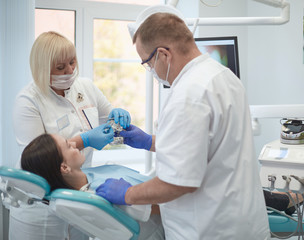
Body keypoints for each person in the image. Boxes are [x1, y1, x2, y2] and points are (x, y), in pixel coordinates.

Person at [96, 10, 271, 239]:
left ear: (163, 54)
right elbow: (208, 148)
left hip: (209, 229)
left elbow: (178, 183)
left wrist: (128, 193)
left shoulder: (188, 95)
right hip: (243, 223)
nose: (151, 71)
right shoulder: (223, 76)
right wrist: (150, 142)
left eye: (148, 64)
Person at [11, 31, 131, 240]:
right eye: (60, 67)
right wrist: (84, 140)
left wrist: (117, 117)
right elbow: (36, 158)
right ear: (43, 69)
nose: (69, 70)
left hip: (79, 195)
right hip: (40, 206)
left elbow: (109, 118)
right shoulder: (28, 100)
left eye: (72, 62)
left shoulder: (85, 86)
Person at [20, 133, 165, 240]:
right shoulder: (101, 195)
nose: (75, 144)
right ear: (64, 168)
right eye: (68, 145)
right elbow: (161, 208)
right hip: (169, 223)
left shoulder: (84, 176)